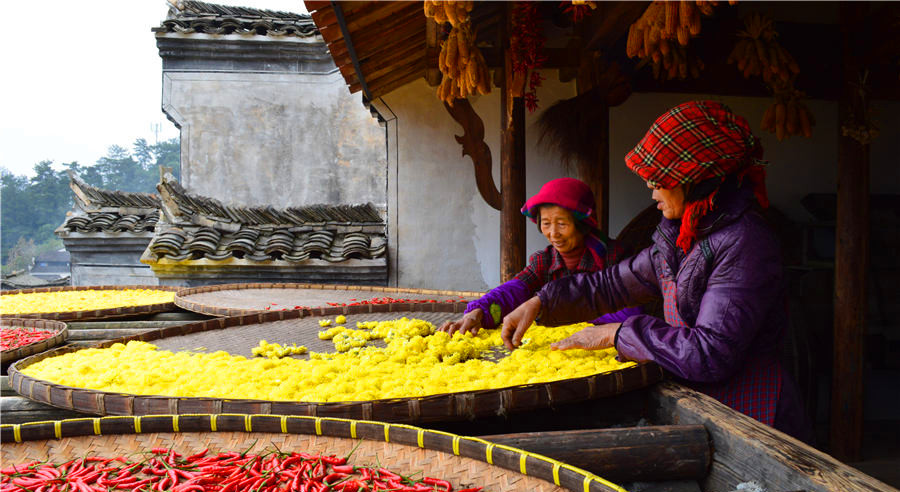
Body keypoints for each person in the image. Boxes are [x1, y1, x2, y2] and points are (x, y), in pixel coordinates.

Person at [500, 101, 812, 442]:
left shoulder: (745, 242)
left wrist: (615, 333)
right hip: (704, 402)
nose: (651, 192)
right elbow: (613, 285)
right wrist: (540, 302)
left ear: (694, 181)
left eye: (659, 181)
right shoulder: (682, 237)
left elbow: (711, 352)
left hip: (752, 414)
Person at [439, 177, 640, 335]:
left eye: (562, 224)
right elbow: (515, 290)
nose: (553, 233)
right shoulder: (544, 262)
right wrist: (480, 312)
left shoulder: (615, 258)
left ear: (583, 224)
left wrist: (550, 308)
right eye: (546, 223)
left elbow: (632, 313)